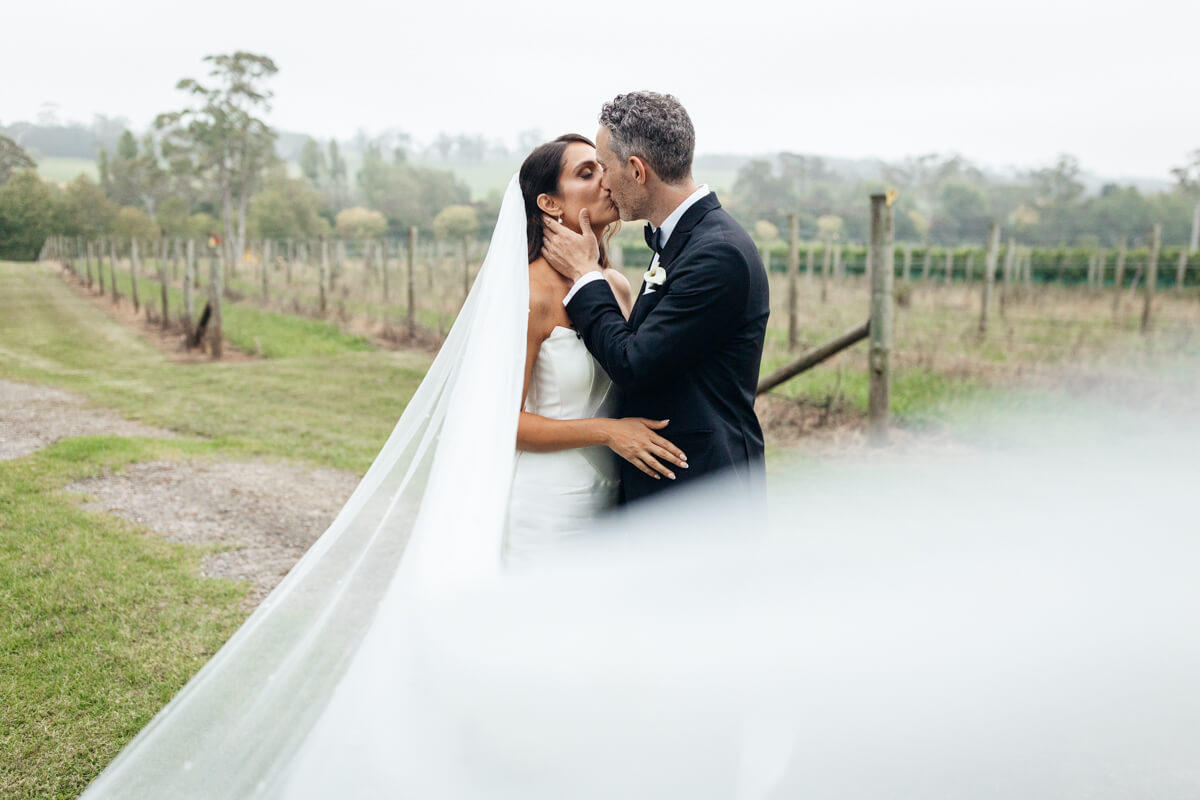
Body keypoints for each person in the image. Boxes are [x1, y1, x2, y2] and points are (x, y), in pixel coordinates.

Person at [541, 91, 770, 504]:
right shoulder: (682, 240)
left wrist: (585, 275)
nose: (604, 184)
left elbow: (634, 362)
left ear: (636, 170)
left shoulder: (716, 252)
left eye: (606, 169)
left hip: (700, 497)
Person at [507, 133, 687, 561]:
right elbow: (504, 423)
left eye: (603, 168)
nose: (605, 181)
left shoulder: (618, 287)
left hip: (616, 500)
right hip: (550, 506)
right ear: (549, 204)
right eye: (586, 173)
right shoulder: (529, 293)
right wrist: (608, 432)